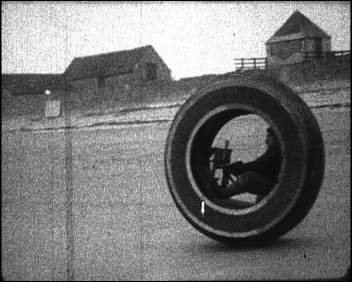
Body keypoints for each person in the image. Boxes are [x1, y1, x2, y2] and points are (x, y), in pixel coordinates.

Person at [213, 127, 281, 200]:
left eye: (269, 137)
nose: (266, 141)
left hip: (275, 186)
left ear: (278, 138)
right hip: (274, 186)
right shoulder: (275, 152)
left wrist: (240, 169)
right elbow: (259, 164)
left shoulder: (276, 152)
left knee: (247, 178)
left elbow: (260, 165)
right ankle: (222, 193)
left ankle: (222, 193)